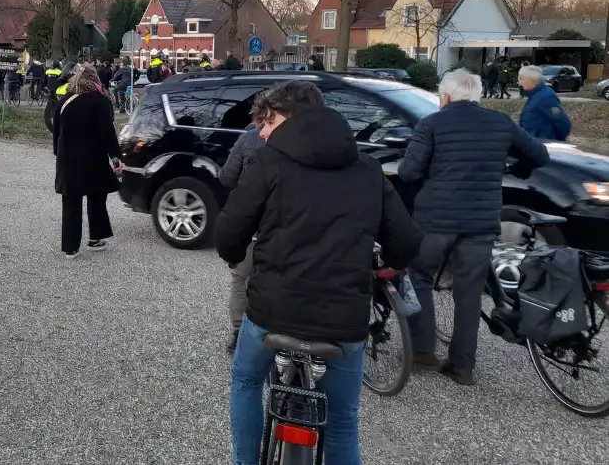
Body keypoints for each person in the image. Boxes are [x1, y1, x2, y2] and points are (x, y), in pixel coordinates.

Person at [213, 81, 422, 465]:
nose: (262, 130)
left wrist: (234, 254)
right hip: (342, 320)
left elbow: (229, 232)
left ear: (292, 117)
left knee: (245, 381)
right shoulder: (367, 169)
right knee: (343, 417)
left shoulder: (268, 164)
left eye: (269, 119)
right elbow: (407, 243)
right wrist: (383, 262)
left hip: (273, 311)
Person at [399, 69, 550, 385]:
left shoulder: (431, 124)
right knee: (469, 294)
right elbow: (539, 155)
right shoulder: (500, 123)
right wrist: (516, 170)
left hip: (435, 219)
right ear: (477, 95)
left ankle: (423, 352)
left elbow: (409, 172)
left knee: (420, 277)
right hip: (480, 222)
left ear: (446, 96)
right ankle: (462, 366)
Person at [52, 65, 122, 259]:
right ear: (96, 82)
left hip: (68, 159)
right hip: (94, 159)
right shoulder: (100, 101)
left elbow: (56, 128)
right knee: (97, 197)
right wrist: (116, 159)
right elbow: (108, 133)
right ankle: (96, 238)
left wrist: (58, 152)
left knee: (71, 202)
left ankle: (70, 248)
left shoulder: (66, 99)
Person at [218, 93, 268, 354]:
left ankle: (239, 332)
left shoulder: (248, 140)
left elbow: (227, 178)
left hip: (254, 223)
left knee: (240, 277)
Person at [518, 65, 572, 141]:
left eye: (522, 79)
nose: (519, 83)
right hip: (533, 144)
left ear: (532, 80)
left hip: (543, 146)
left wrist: (555, 142)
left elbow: (563, 123)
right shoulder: (534, 96)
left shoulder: (546, 97)